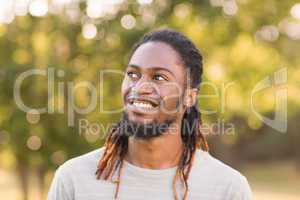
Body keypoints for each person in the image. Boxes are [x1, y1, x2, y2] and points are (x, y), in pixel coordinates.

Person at [47, 29, 252, 200]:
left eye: (159, 77)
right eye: (133, 74)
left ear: (189, 97)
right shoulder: (74, 179)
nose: (140, 87)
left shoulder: (227, 188)